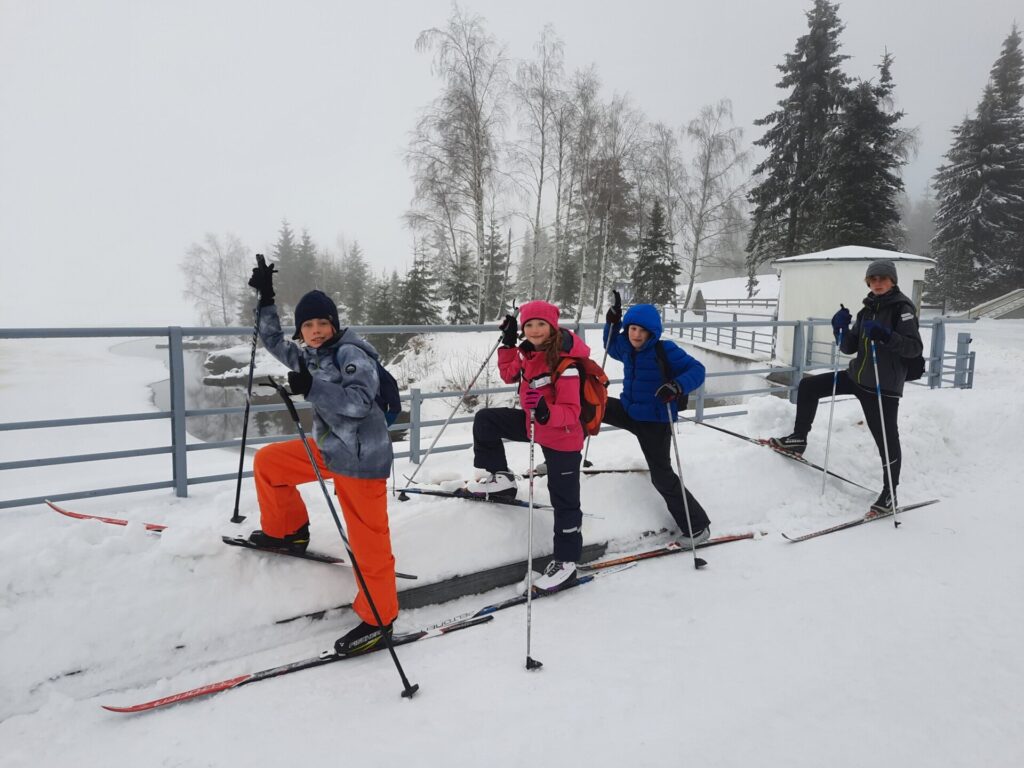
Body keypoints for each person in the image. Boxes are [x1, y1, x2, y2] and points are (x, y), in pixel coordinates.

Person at [247, 259, 398, 655]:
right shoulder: (313, 354)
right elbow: (274, 342)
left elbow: (360, 402)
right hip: (331, 447)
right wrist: (266, 300)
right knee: (270, 463)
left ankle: (380, 618)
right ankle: (288, 531)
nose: (315, 331)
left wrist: (312, 388)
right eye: (308, 326)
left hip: (361, 457)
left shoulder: (350, 353)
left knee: (368, 542)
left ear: (334, 325)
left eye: (322, 324)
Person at [770, 259, 924, 512]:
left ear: (892, 281)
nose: (878, 283)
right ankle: (798, 439)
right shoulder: (867, 310)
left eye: (883, 278)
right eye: (873, 279)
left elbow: (914, 348)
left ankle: (890, 494)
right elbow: (849, 347)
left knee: (886, 439)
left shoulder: (902, 308)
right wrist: (839, 328)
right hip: (857, 377)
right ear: (868, 282)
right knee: (809, 386)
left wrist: (886, 336)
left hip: (882, 385)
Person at [467, 300, 589, 593]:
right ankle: (503, 479)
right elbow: (509, 374)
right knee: (486, 420)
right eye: (529, 325)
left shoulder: (566, 363)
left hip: (562, 437)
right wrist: (509, 343)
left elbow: (572, 412)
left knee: (565, 500)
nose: (534, 330)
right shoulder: (528, 352)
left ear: (552, 327)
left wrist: (546, 411)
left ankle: (567, 563)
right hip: (533, 424)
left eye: (540, 324)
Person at [602, 299, 712, 547]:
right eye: (632, 329)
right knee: (590, 405)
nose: (636, 335)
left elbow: (697, 370)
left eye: (643, 330)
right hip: (629, 410)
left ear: (652, 333)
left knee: (661, 476)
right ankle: (567, 456)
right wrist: (613, 322)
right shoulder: (626, 346)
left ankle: (697, 526)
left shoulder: (665, 350)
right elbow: (610, 345)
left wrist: (676, 386)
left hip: (655, 420)